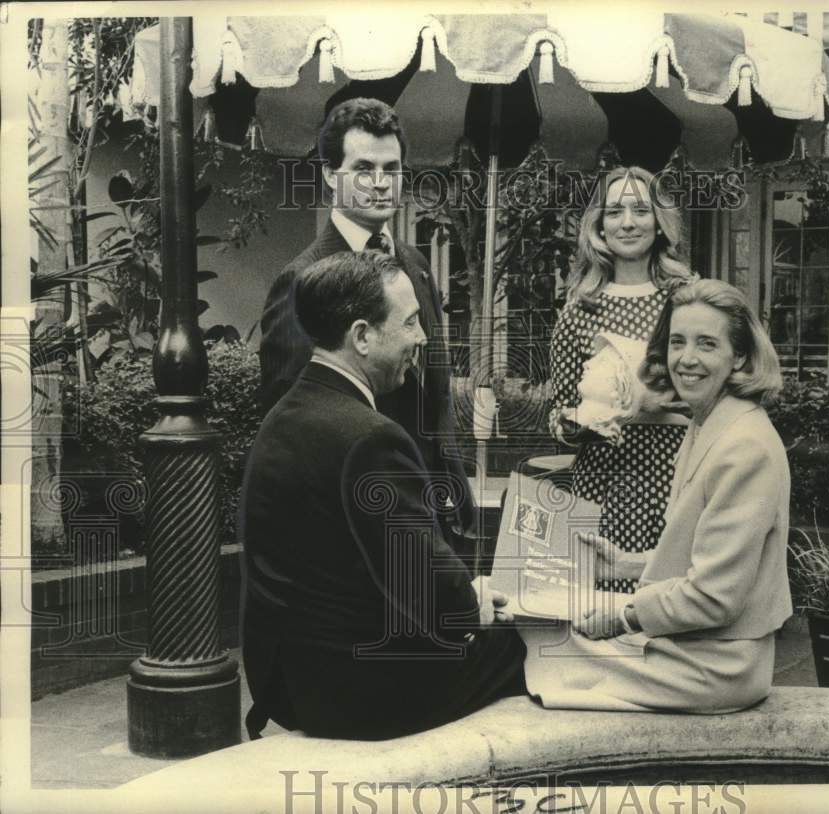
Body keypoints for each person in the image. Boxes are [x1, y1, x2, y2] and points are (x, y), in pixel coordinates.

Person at [241, 252, 525, 740]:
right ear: (362, 337)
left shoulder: (286, 414)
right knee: (531, 642)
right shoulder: (371, 438)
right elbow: (441, 605)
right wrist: (472, 601)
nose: (422, 337)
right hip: (362, 693)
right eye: (410, 322)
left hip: (290, 683)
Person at [521, 278, 791, 713]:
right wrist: (627, 563)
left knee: (529, 646)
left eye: (707, 344)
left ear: (739, 355)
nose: (687, 359)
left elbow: (713, 598)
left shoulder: (743, 446)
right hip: (699, 651)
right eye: (677, 342)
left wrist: (625, 616)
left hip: (712, 668)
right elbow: (709, 559)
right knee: (532, 630)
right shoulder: (711, 421)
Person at [258, 97, 476, 560]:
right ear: (329, 176)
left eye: (391, 169)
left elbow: (434, 398)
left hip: (434, 520)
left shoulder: (415, 265)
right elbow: (291, 427)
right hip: (355, 532)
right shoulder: (302, 280)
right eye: (362, 169)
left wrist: (456, 494)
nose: (380, 184)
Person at [548, 165, 692, 593]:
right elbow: (562, 412)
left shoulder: (687, 297)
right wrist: (572, 425)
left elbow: (716, 401)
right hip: (601, 486)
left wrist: (650, 408)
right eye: (614, 212)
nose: (628, 222)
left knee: (670, 604)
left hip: (676, 479)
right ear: (599, 226)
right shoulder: (579, 310)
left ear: (660, 222)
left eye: (640, 210)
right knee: (604, 611)